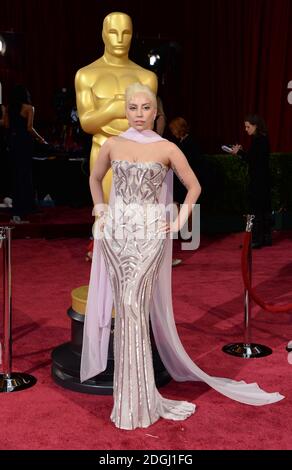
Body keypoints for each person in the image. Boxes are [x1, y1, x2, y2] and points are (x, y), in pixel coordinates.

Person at [81, 83, 283, 430]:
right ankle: (130, 398)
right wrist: (101, 210)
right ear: (125, 109)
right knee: (126, 310)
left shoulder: (167, 148)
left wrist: (177, 221)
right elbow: (95, 176)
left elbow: (194, 186)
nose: (140, 114)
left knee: (132, 305)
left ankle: (138, 399)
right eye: (133, 108)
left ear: (156, 112)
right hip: (116, 237)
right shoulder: (113, 144)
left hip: (149, 238)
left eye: (146, 108)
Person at [75, 11, 157, 201]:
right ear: (103, 34)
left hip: (139, 152)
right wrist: (112, 109)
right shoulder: (86, 74)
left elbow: (148, 124)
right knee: (104, 215)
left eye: (125, 33)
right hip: (103, 149)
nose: (119, 39)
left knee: (137, 215)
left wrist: (113, 115)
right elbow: (87, 123)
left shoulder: (146, 77)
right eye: (113, 32)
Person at [4, 85, 47, 223]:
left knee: (16, 175)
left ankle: (18, 208)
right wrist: (41, 139)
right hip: (25, 142)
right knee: (26, 174)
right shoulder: (29, 108)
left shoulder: (8, 108)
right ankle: (28, 206)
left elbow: (6, 126)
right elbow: (29, 128)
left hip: (13, 141)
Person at [231, 115, 272, 248]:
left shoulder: (258, 140)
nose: (246, 129)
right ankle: (265, 238)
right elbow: (255, 158)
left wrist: (239, 153)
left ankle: (256, 240)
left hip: (258, 181)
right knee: (263, 209)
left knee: (256, 210)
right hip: (263, 180)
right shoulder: (262, 139)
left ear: (256, 126)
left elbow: (252, 160)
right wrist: (243, 152)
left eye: (248, 126)